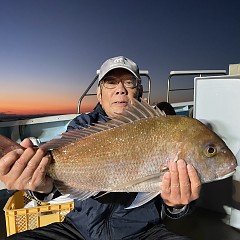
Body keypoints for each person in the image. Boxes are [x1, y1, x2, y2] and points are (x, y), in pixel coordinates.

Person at [0, 56, 201, 240]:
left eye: (128, 83)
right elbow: (59, 182)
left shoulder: (161, 126)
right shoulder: (82, 125)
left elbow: (172, 202)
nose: (120, 89)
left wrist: (177, 205)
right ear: (99, 93)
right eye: (111, 82)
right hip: (78, 230)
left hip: (144, 232)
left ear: (138, 91)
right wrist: (42, 187)